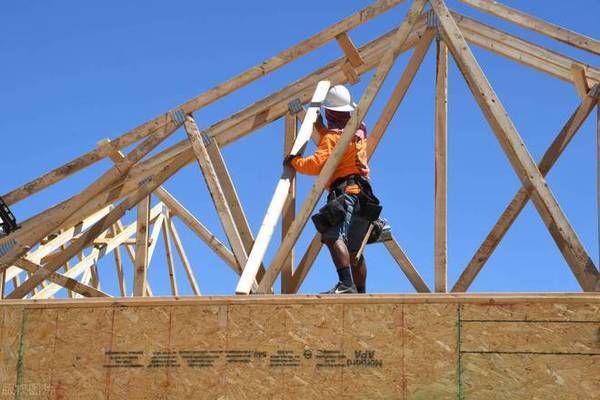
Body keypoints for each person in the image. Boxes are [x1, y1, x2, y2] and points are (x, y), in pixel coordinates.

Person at [284, 85, 381, 294]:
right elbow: (336, 136)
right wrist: (320, 127)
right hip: (364, 196)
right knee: (354, 250)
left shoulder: (331, 138)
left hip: (345, 192)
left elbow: (316, 164)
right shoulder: (359, 131)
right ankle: (360, 292)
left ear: (330, 113)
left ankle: (346, 284)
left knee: (331, 235)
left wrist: (295, 162)